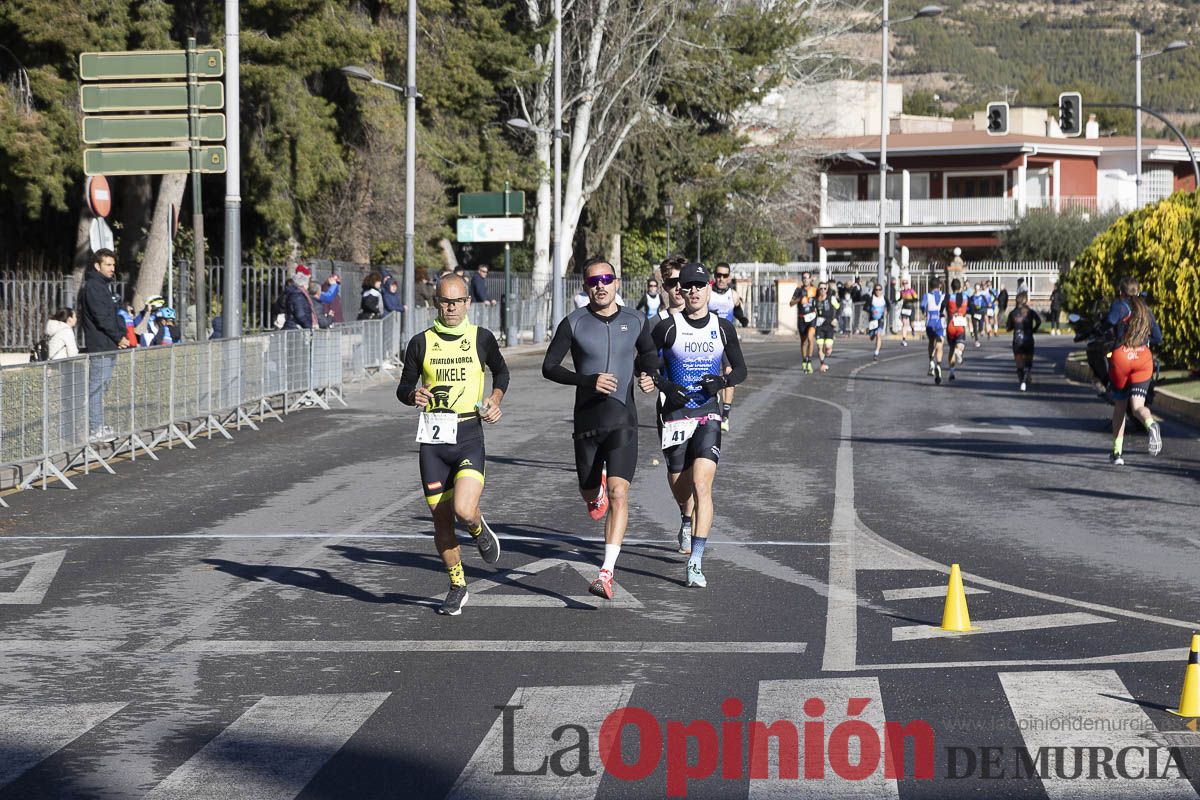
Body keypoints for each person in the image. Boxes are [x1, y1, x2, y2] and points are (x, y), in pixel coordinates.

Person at [542, 257, 657, 600]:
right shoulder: (574, 323)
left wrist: (647, 373)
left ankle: (606, 571)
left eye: (606, 278)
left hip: (623, 418)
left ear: (617, 282)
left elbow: (649, 354)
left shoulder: (636, 319)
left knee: (621, 494)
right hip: (587, 421)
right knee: (591, 495)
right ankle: (597, 488)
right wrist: (587, 380)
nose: (601, 285)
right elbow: (549, 367)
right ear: (585, 287)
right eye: (593, 281)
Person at [396, 272, 508, 615]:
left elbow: (501, 372)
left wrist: (495, 398)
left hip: (468, 433)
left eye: (458, 301)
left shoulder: (481, 338)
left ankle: (477, 526)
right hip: (433, 439)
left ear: (468, 303)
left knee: (463, 509)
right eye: (446, 301)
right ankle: (457, 585)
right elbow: (403, 389)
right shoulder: (420, 342)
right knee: (441, 520)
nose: (452, 308)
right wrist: (413, 395)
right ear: (436, 303)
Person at [646, 262, 747, 588]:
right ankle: (685, 518)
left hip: (707, 416)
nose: (692, 291)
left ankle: (696, 562)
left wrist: (719, 382)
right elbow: (644, 361)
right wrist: (663, 385)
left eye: (699, 286)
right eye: (686, 286)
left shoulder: (722, 327)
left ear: (708, 290)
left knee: (703, 485)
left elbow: (741, 371)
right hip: (674, 416)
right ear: (680, 290)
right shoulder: (667, 326)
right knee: (680, 487)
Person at [654, 258, 694, 552]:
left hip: (704, 407)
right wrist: (648, 378)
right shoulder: (654, 323)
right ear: (664, 287)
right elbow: (646, 364)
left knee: (702, 469)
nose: (678, 288)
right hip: (669, 409)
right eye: (671, 283)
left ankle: (694, 526)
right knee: (677, 470)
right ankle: (686, 516)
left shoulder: (703, 315)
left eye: (683, 281)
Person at [1105, 277, 1163, 465]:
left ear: (1121, 292)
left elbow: (1109, 322)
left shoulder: (1121, 305)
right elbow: (1158, 337)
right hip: (1143, 358)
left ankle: (1117, 452)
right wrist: (1144, 343)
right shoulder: (1146, 310)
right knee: (1138, 406)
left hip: (1123, 356)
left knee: (1120, 406)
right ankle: (1151, 424)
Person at [77, 248, 131, 442]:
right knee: (96, 388)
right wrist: (118, 337)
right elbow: (102, 318)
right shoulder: (93, 287)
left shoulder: (103, 287)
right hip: (101, 345)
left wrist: (122, 333)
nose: (112, 268)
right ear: (97, 266)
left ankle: (98, 424)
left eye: (113, 264)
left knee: (102, 387)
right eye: (108, 264)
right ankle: (94, 428)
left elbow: (113, 315)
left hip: (108, 344)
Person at [707, 262, 746, 431]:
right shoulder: (707, 293)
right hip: (709, 340)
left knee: (730, 373)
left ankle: (726, 416)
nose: (721, 279)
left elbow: (737, 310)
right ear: (714, 276)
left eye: (724, 276)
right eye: (718, 275)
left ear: (729, 277)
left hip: (727, 341)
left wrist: (743, 319)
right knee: (709, 374)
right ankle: (708, 410)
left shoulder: (734, 294)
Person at [1006, 291, 1042, 392]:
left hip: (1017, 340)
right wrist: (1034, 329)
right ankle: (1027, 374)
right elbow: (1039, 321)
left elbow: (1008, 327)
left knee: (1019, 363)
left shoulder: (1012, 313)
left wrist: (1014, 326)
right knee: (1028, 361)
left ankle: (1022, 382)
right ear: (1026, 300)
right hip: (1028, 338)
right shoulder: (1030, 312)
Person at [942, 278, 970, 382]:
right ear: (961, 287)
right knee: (960, 346)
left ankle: (952, 372)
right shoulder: (966, 297)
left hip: (950, 324)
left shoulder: (948, 296)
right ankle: (959, 352)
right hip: (960, 325)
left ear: (951, 287)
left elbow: (942, 306)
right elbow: (971, 308)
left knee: (951, 349)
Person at [789, 277, 818, 373]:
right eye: (804, 278)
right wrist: (799, 298)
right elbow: (791, 303)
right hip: (802, 318)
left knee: (810, 338)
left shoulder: (814, 290)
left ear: (810, 279)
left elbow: (820, 298)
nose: (806, 280)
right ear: (802, 280)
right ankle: (804, 359)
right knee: (804, 342)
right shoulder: (798, 290)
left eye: (807, 278)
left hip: (812, 318)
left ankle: (809, 361)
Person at [922, 277, 946, 385]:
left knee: (931, 341)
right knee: (940, 343)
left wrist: (924, 311)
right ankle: (939, 365)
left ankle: (931, 361)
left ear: (930, 286)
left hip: (930, 322)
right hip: (939, 322)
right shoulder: (943, 295)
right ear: (939, 286)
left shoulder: (927, 295)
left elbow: (923, 306)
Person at [813, 283, 840, 372]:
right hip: (819, 326)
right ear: (818, 289)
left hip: (829, 326)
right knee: (820, 347)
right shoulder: (815, 299)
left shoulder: (831, 298)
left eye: (825, 288)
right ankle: (822, 364)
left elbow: (839, 308)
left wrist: (836, 319)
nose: (823, 290)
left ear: (827, 289)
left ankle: (828, 349)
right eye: (821, 288)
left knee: (827, 348)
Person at [283, 264, 318, 329]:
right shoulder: (297, 294)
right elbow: (300, 315)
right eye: (308, 280)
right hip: (296, 328)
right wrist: (309, 326)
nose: (309, 283)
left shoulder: (299, 293)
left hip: (297, 327)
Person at [866, 282, 888, 360]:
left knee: (878, 335)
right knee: (872, 337)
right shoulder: (871, 298)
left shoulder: (884, 298)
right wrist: (871, 311)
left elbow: (888, 306)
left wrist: (886, 311)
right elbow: (866, 307)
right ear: (874, 291)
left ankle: (876, 353)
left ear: (882, 290)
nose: (878, 291)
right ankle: (871, 334)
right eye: (876, 290)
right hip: (872, 320)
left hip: (880, 319)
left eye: (880, 289)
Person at [898, 278, 918, 346]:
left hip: (911, 308)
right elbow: (900, 298)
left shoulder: (911, 291)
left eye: (906, 283)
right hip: (904, 308)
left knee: (911, 323)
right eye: (903, 283)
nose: (905, 285)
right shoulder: (902, 292)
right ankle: (904, 339)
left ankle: (913, 329)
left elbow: (916, 298)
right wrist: (896, 301)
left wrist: (911, 300)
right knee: (904, 324)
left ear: (908, 284)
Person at [969, 282, 987, 347]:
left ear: (980, 289)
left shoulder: (982, 296)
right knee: (974, 327)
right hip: (974, 313)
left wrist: (983, 310)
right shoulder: (972, 297)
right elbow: (969, 305)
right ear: (974, 289)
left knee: (980, 325)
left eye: (978, 288)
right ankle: (976, 340)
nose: (977, 290)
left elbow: (986, 304)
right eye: (976, 288)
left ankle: (981, 330)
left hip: (980, 313)